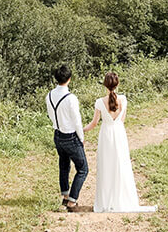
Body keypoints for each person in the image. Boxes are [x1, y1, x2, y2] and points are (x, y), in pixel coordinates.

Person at [82, 71, 157, 213]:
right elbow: (122, 120)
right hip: (119, 133)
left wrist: (81, 130)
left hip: (106, 135)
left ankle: (107, 201)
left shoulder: (99, 102)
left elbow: (93, 124)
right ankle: (121, 199)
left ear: (105, 84)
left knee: (106, 166)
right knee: (121, 165)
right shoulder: (123, 99)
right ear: (117, 84)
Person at [46, 64, 88, 212]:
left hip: (57, 135)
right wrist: (81, 138)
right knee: (83, 169)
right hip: (70, 136)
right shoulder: (71, 98)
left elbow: (51, 115)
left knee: (64, 165)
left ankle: (65, 196)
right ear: (69, 79)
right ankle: (72, 201)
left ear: (56, 79)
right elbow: (77, 121)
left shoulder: (49, 95)